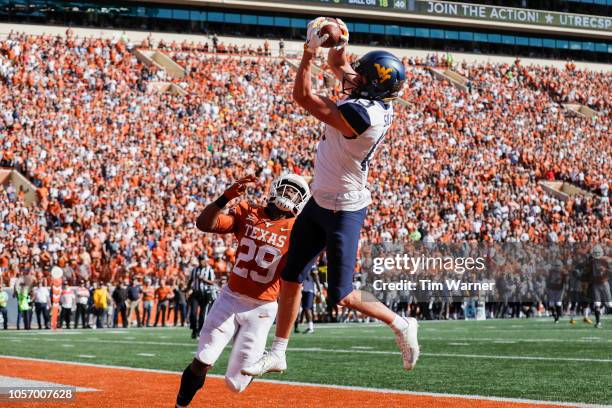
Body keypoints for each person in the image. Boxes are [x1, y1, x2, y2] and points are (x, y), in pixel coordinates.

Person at [243, 17, 419, 377]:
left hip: (344, 208)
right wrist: (341, 42)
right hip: (319, 199)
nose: (355, 77)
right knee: (290, 273)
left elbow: (303, 96)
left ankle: (400, 322)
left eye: (364, 76)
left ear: (374, 86)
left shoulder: (364, 115)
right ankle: (278, 351)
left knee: (342, 294)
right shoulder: (370, 95)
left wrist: (308, 53)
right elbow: (340, 66)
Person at [175, 173, 310, 408]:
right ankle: (179, 406)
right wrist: (225, 197)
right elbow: (204, 224)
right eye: (287, 189)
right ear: (275, 188)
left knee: (236, 384)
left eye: (295, 193)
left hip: (262, 308)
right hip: (229, 298)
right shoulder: (249, 211)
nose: (289, 195)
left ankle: (258, 359)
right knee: (203, 360)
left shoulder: (299, 230)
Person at [188, 256, 216, 338]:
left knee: (202, 314)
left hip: (205, 294)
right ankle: (194, 329)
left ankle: (199, 331)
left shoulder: (209, 270)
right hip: (195, 293)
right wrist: (186, 289)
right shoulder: (194, 270)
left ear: (205, 261)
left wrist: (204, 279)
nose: (201, 262)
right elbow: (190, 281)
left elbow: (212, 282)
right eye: (200, 260)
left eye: (202, 260)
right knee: (193, 313)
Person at [295, 265, 321, 334]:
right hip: (304, 290)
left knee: (307, 308)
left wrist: (319, 290)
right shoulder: (306, 265)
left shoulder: (312, 266)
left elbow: (316, 278)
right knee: (305, 309)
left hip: (310, 290)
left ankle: (311, 328)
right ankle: (309, 326)